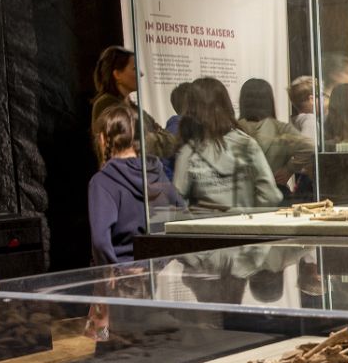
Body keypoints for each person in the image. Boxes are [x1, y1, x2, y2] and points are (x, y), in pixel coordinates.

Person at [88, 103, 183, 266]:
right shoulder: (155, 171)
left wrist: (114, 272)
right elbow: (183, 217)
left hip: (122, 274)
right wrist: (160, 261)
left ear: (103, 139)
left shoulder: (103, 181)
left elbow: (100, 242)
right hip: (153, 272)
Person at [175, 76, 282, 209]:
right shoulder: (247, 144)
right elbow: (271, 196)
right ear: (226, 105)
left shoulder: (189, 152)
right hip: (245, 220)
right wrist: (250, 214)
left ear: (190, 110)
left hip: (205, 222)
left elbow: (177, 202)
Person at [90, 46, 175, 160]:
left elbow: (165, 139)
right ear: (117, 74)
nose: (141, 74)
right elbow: (136, 145)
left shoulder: (133, 107)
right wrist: (155, 137)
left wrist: (154, 138)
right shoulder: (106, 104)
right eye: (134, 68)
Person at [237, 78, 314, 195]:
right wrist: (289, 169)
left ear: (243, 101)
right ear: (269, 101)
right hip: (275, 192)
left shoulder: (233, 130)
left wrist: (289, 169)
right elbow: (310, 147)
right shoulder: (281, 129)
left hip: (242, 195)